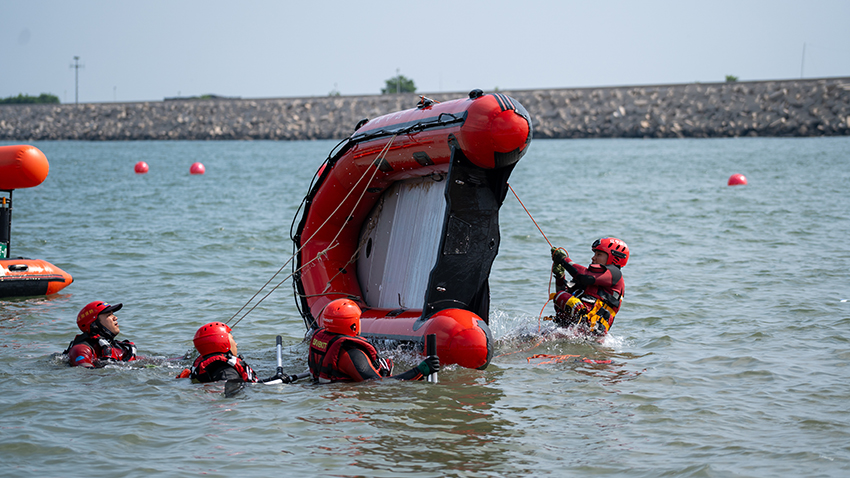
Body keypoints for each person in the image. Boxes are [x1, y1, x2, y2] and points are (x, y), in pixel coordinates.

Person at [308, 299, 440, 383]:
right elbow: (378, 384)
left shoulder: (325, 339)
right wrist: (420, 370)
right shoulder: (352, 353)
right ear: (353, 325)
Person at [550, 237, 629, 336]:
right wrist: (560, 277)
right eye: (594, 254)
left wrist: (563, 260)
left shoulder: (614, 273)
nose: (593, 258)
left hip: (591, 332)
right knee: (561, 296)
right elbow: (562, 297)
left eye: (598, 254)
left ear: (613, 257)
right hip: (571, 329)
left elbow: (584, 276)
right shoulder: (589, 277)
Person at [179, 322, 259, 383]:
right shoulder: (227, 372)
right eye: (232, 339)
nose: (236, 344)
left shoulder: (210, 367)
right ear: (223, 343)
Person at [64, 301, 137, 368]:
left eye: (113, 314)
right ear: (94, 324)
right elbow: (84, 371)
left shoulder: (119, 348)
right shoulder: (81, 349)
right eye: (109, 315)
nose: (115, 318)